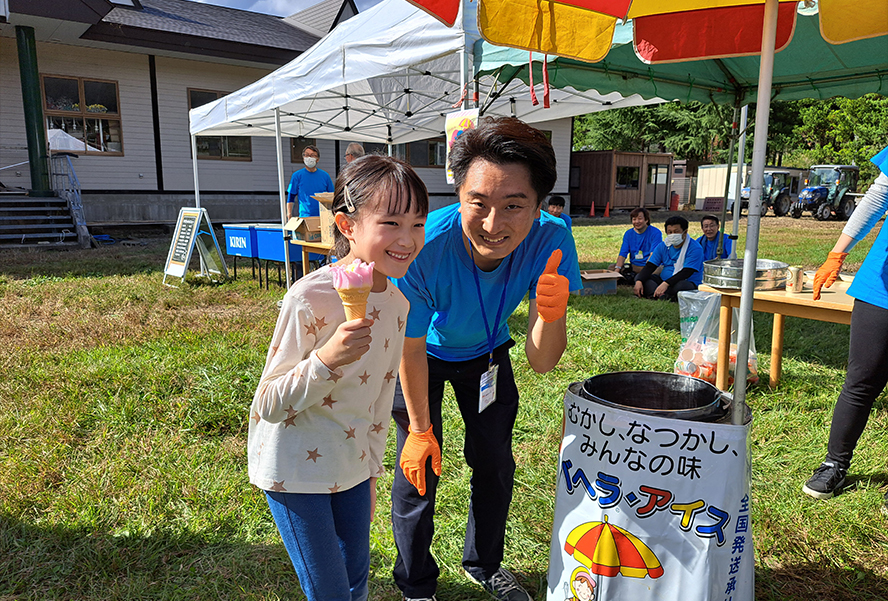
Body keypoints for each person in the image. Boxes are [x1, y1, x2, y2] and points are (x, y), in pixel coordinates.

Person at [391, 116, 582, 601]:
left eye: (514, 205)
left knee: (495, 463)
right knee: (419, 470)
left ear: (539, 205)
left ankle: (484, 564)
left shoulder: (552, 240)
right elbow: (409, 345)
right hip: (423, 356)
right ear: (458, 194)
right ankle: (416, 585)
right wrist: (419, 430)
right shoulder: (423, 245)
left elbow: (542, 360)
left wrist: (551, 314)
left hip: (488, 356)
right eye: (478, 203)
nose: (493, 225)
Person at [249, 155, 429, 601]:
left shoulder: (398, 305)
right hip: (295, 472)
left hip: (352, 468)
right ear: (347, 225)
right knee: (330, 592)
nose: (407, 239)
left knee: (356, 580)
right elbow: (268, 403)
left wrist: (371, 473)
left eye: (418, 224)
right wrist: (327, 360)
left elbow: (379, 401)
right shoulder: (310, 296)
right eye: (391, 223)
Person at [802, 145, 888, 507]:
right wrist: (837, 253)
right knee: (861, 380)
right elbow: (879, 196)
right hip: (881, 287)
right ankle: (834, 464)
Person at [634, 215, 704, 301]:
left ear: (685, 232)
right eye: (670, 232)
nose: (672, 235)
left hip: (685, 281)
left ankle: (661, 295)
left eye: (676, 232)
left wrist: (666, 283)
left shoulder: (695, 248)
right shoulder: (663, 246)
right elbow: (650, 266)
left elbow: (687, 272)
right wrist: (639, 281)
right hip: (663, 280)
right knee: (642, 277)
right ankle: (660, 295)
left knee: (682, 286)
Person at [609, 207, 662, 284]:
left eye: (640, 219)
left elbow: (653, 255)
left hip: (650, 266)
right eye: (634, 219)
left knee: (658, 270)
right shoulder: (628, 234)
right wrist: (617, 270)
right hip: (634, 266)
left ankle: (636, 278)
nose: (637, 222)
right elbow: (623, 254)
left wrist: (645, 272)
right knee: (611, 267)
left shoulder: (656, 233)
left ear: (646, 220)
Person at [287, 144, 334, 220]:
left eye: (312, 155)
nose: (309, 157)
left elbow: (332, 195)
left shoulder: (325, 176)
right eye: (307, 155)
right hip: (305, 216)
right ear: (303, 158)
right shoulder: (297, 176)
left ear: (317, 159)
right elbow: (291, 196)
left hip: (323, 216)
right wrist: (289, 214)